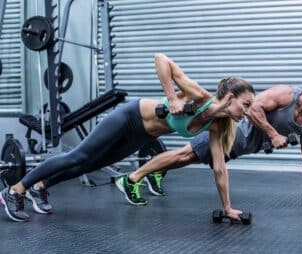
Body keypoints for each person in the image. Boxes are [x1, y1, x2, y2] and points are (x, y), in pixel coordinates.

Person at [0, 53, 255, 222]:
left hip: (141, 134)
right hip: (128, 117)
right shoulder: (199, 96)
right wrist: (171, 96)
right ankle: (14, 190)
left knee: (92, 164)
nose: (246, 112)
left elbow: (220, 169)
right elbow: (161, 59)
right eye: (245, 105)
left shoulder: (217, 126)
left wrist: (228, 207)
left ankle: (40, 186)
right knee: (78, 156)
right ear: (230, 98)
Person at [119, 70, 302, 205]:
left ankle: (152, 173)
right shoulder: (286, 94)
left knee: (189, 158)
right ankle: (131, 178)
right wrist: (272, 134)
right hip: (231, 133)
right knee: (185, 154)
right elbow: (252, 109)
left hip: (240, 147)